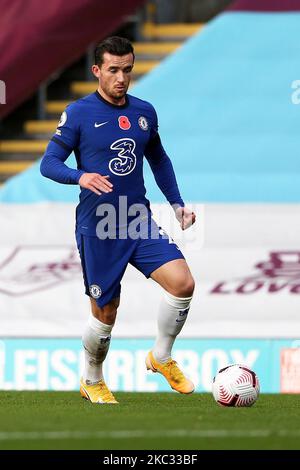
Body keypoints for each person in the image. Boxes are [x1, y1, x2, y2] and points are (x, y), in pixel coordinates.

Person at [40, 36, 196, 404]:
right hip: (98, 226)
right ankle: (92, 379)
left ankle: (161, 356)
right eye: (113, 70)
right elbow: (49, 163)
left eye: (127, 69)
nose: (121, 78)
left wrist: (176, 204)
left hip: (136, 218)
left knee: (182, 283)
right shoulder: (78, 113)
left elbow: (158, 158)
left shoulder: (144, 112)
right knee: (106, 311)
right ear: (97, 71)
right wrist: (81, 176)